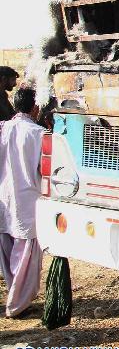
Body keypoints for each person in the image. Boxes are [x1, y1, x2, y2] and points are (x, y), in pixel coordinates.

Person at [0, 87, 45, 316]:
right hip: (27, 201)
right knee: (25, 255)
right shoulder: (39, 134)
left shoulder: (2, 128)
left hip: (3, 200)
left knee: (7, 251)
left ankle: (13, 295)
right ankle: (17, 304)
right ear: (35, 107)